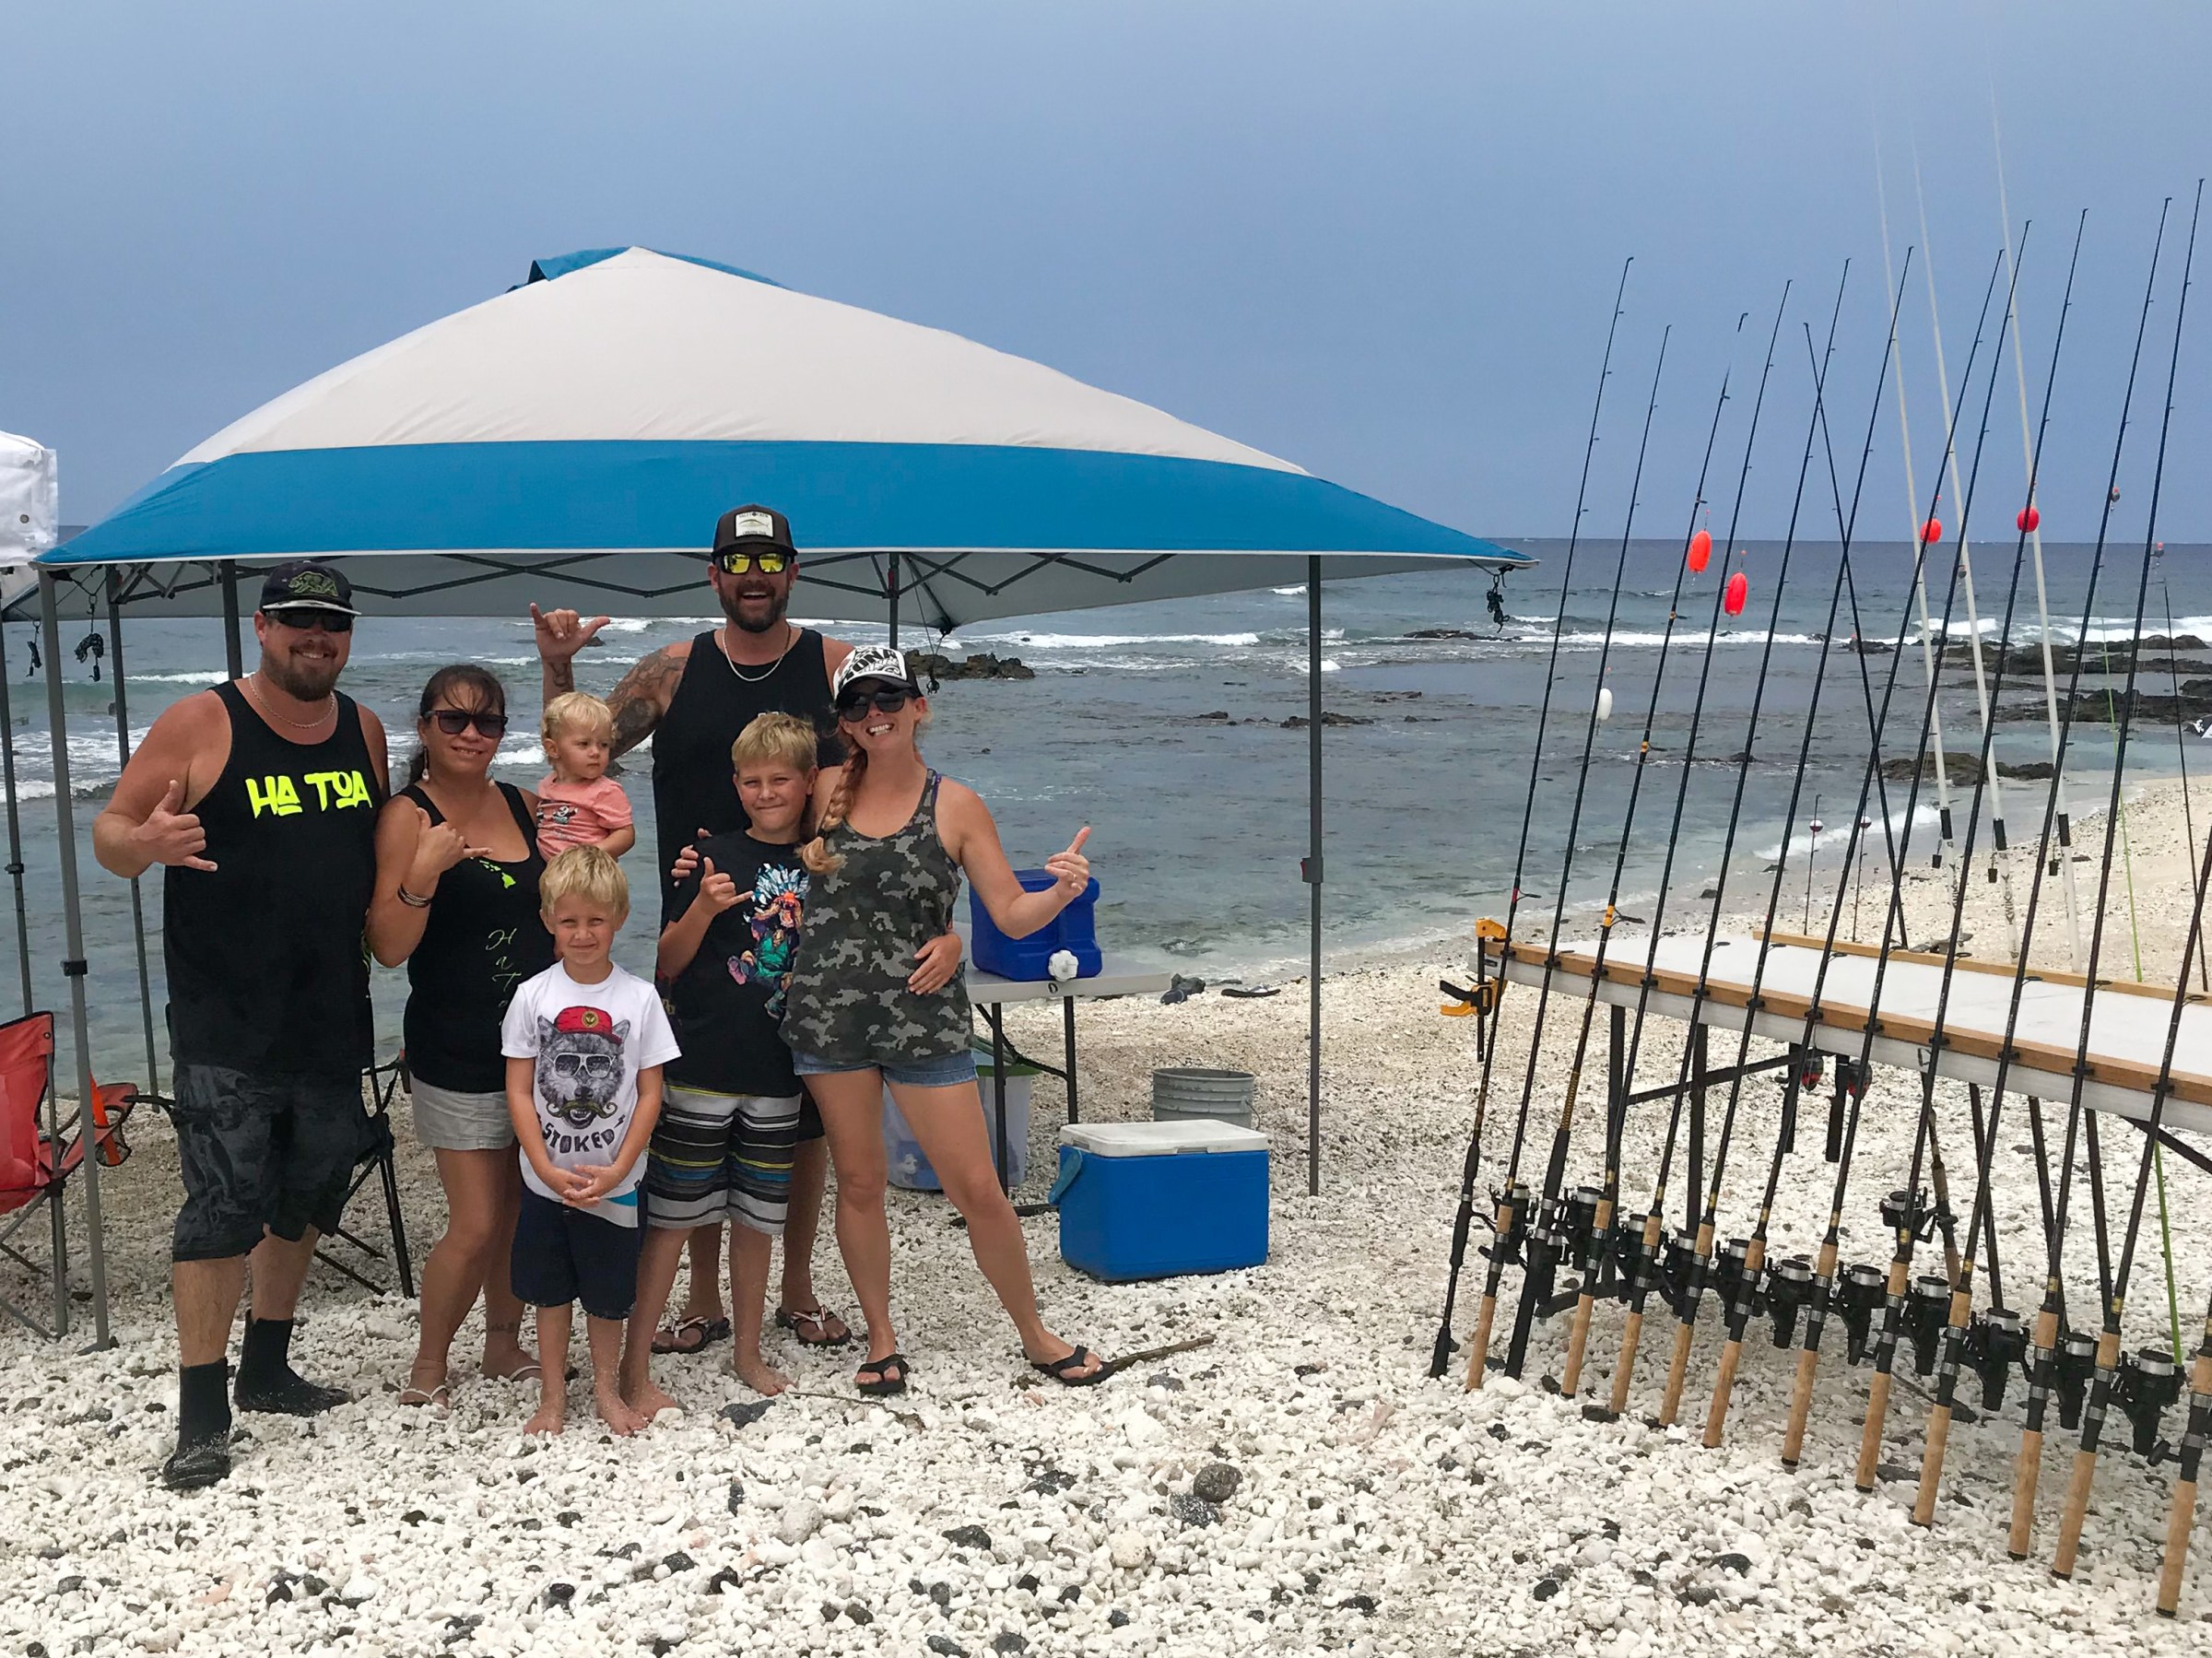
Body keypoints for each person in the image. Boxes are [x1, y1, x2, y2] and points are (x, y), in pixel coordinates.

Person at [531, 503, 862, 1360]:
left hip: (799, 924)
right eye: (737, 563)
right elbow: (578, 752)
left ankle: (794, 1285)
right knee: (695, 1113)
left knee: (805, 1117)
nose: (754, 577)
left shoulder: (832, 665)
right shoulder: (672, 670)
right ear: (714, 575)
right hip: (698, 920)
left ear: (793, 570)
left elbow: (886, 769)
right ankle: (706, 1298)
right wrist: (558, 666)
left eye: (771, 561)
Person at [92, 559, 388, 1490]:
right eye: (298, 621)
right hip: (227, 1016)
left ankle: (268, 1363)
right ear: (262, 629)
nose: (317, 636)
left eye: (332, 623)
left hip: (333, 1011)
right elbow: (110, 830)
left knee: (305, 1192)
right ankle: (200, 1412)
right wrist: (144, 844)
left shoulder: (366, 729)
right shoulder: (203, 720)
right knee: (220, 1206)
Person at [781, 645, 1107, 1394]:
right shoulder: (820, 786)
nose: (877, 714)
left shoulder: (956, 804)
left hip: (924, 1022)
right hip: (829, 1024)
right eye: (859, 704)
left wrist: (1060, 894)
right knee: (860, 1185)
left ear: (919, 705)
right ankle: (881, 1336)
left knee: (978, 1186)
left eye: (890, 698)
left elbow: (1011, 914)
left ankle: (1034, 1331)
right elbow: (759, 825)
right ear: (844, 721)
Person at [626, 713, 937, 1408]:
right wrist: (703, 910)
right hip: (701, 1065)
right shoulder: (709, 858)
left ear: (808, 786)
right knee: (674, 1214)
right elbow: (667, 961)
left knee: (760, 1218)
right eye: (753, 781)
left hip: (780, 1072)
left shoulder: (825, 859)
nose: (766, 792)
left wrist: (946, 943)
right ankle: (633, 1366)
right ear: (737, 786)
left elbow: (887, 923)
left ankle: (748, 1352)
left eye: (780, 780)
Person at [367, 665, 553, 1409]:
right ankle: (427, 1364)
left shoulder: (523, 804)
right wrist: (424, 874)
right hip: (457, 1047)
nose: (472, 734)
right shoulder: (408, 817)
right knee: (476, 1220)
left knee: (517, 1208)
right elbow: (386, 945)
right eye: (454, 720)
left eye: (487, 722)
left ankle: (502, 1344)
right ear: (425, 728)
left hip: (541, 1048)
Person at [501, 846, 678, 1436]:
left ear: (619, 919)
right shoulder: (532, 997)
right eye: (570, 921)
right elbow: (522, 1090)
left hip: (616, 1182)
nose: (583, 933)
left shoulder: (639, 998)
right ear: (550, 920)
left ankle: (606, 1389)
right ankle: (553, 1396)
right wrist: (543, 1166)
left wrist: (620, 1167)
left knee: (608, 1297)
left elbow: (650, 1093)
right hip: (547, 1180)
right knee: (550, 1295)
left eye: (595, 921)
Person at [535, 690, 635, 861]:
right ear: (553, 749)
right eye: (584, 744)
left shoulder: (605, 790)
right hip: (553, 875)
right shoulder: (547, 785)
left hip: (586, 876)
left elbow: (626, 834)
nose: (595, 752)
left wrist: (589, 855)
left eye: (603, 745)